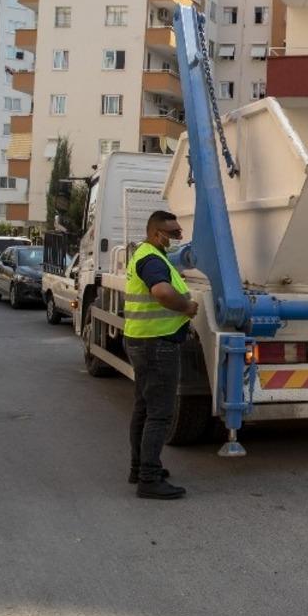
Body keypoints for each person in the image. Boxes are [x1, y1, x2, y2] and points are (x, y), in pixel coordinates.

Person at [125, 210, 198, 500]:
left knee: (144, 408)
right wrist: (186, 307)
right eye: (174, 233)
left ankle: (139, 468)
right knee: (159, 413)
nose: (179, 237)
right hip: (157, 344)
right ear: (157, 234)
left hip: (144, 340)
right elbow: (162, 292)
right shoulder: (152, 259)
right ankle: (149, 479)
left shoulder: (149, 254)